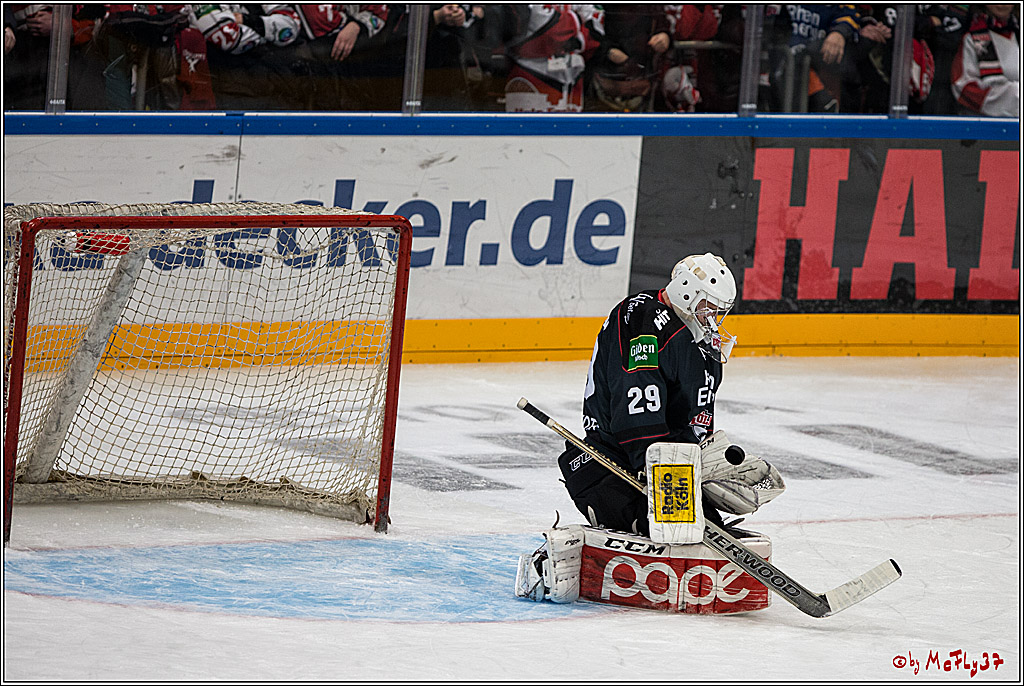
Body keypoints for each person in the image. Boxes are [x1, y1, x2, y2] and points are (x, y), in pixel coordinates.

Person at [557, 253, 776, 536]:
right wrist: (658, 466)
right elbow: (636, 405)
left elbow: (694, 420)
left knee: (710, 531)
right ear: (686, 292)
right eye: (707, 307)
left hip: (665, 468)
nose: (713, 318)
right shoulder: (641, 317)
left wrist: (708, 469)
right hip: (613, 465)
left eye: (719, 311)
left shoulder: (701, 344)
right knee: (677, 532)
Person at [951, 4, 1019, 117]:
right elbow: (962, 87)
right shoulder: (971, 39)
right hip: (983, 126)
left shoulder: (1017, 35)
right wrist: (1014, 95)